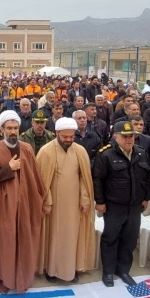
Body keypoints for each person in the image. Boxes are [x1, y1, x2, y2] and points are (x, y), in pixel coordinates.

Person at [0, 110, 46, 294]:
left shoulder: (26, 148)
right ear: (2, 129)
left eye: (15, 128)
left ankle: (22, 277)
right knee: (6, 241)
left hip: (25, 203)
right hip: (4, 206)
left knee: (24, 239)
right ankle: (5, 277)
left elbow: (35, 176)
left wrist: (41, 198)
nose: (12, 131)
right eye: (9, 128)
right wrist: (8, 168)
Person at [35, 118, 95, 284]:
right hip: (53, 206)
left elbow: (84, 178)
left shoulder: (80, 151)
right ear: (57, 133)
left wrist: (85, 199)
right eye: (65, 137)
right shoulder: (46, 151)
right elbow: (41, 181)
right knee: (54, 237)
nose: (68, 140)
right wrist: (46, 201)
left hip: (74, 205)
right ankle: (51, 270)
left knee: (72, 237)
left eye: (71, 137)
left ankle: (71, 269)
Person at [93, 121, 150, 287]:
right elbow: (98, 180)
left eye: (131, 136)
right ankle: (108, 271)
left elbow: (146, 178)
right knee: (110, 238)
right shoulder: (105, 154)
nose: (129, 139)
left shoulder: (141, 153)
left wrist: (146, 197)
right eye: (125, 136)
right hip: (114, 206)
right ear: (116, 137)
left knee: (130, 239)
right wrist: (100, 202)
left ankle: (123, 270)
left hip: (134, 205)